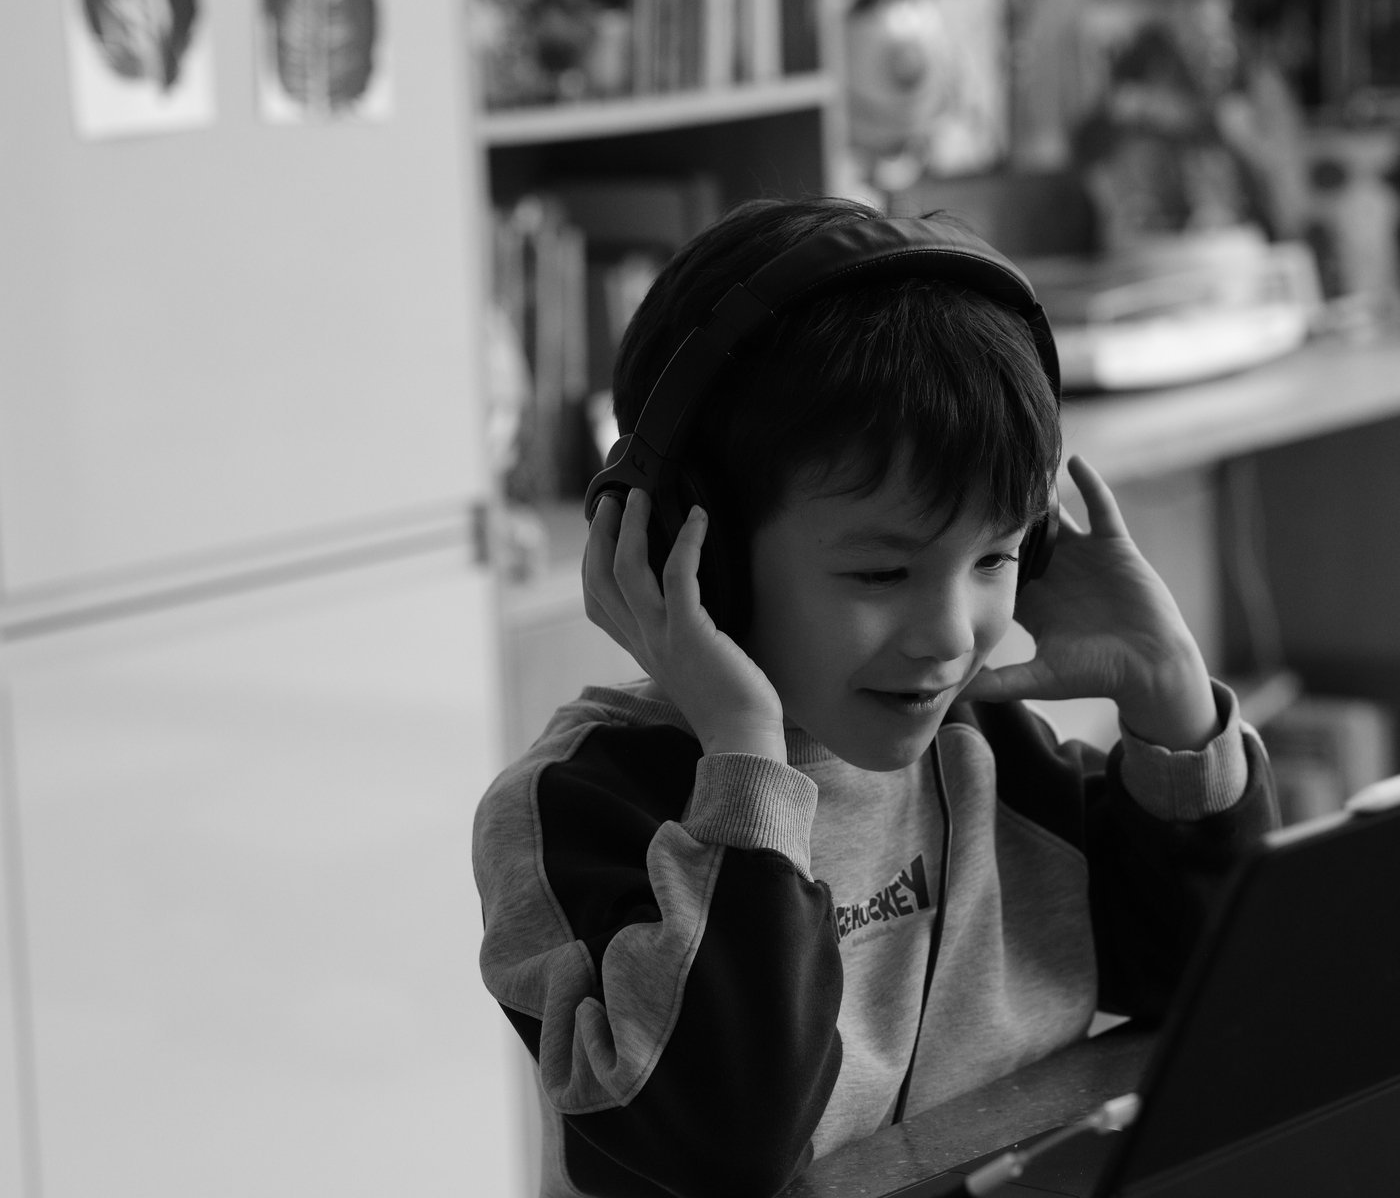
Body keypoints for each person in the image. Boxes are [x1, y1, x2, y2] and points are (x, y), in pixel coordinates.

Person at [472, 196, 1277, 1198]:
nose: (950, 634)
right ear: (704, 555)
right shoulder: (581, 808)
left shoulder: (990, 761)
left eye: (997, 554)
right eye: (880, 575)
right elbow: (724, 1146)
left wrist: (1172, 706)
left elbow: (1215, 989)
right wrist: (747, 766)